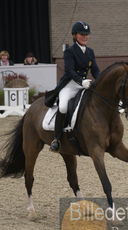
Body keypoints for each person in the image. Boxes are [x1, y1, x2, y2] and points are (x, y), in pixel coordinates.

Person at [44, 21, 100, 152]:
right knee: (63, 107)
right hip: (70, 85)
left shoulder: (90, 52)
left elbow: (95, 71)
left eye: (87, 34)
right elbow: (70, 71)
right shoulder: (70, 51)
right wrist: (81, 81)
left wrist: (101, 80)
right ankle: (56, 139)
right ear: (75, 35)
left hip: (84, 85)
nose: (85, 37)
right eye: (82, 34)